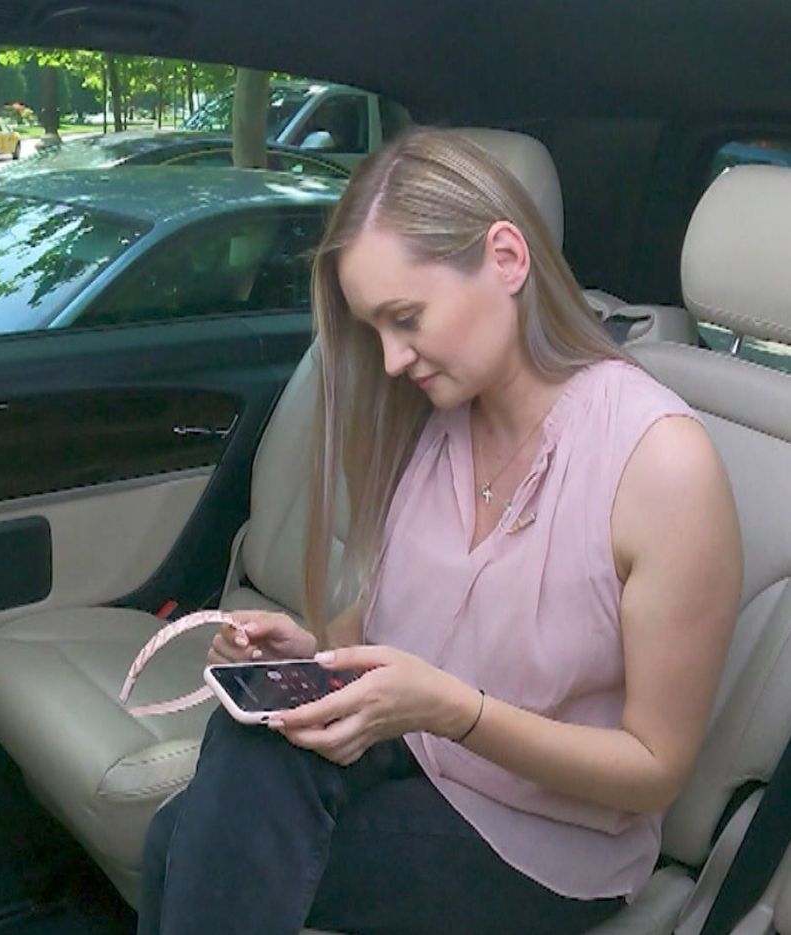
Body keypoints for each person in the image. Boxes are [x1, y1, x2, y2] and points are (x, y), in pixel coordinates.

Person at [137, 128, 743, 935]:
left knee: (186, 844)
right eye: (375, 330)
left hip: (545, 840)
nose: (391, 359)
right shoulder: (434, 423)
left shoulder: (659, 463)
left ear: (505, 258)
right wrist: (309, 654)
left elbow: (653, 769)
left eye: (406, 318)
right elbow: (382, 628)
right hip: (417, 755)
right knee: (233, 763)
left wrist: (454, 711)